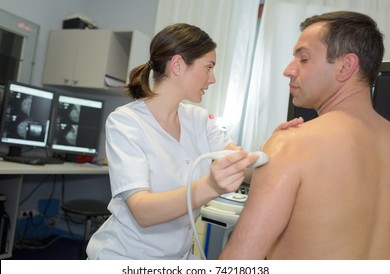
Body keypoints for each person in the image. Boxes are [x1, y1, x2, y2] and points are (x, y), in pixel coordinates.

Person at [86, 23, 301, 260]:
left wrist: (274, 147)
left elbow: (243, 166)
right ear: (177, 65)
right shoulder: (126, 122)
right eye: (208, 67)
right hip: (126, 257)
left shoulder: (197, 119)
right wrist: (211, 186)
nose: (213, 79)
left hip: (177, 257)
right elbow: (142, 211)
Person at [219, 11, 390, 260]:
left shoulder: (292, 144)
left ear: (346, 66)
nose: (288, 70)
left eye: (304, 59)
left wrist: (276, 153)